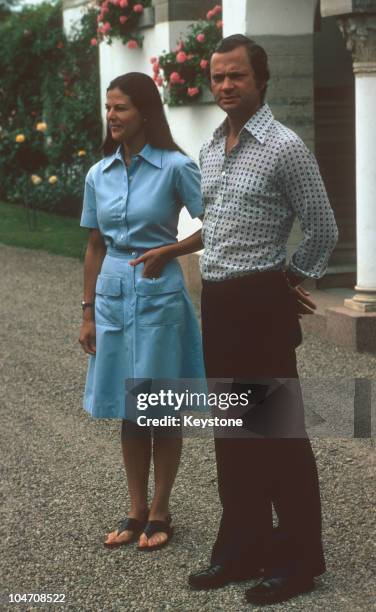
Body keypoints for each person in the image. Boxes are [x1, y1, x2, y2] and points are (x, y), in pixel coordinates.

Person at [188, 35, 338, 605]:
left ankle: (300, 561)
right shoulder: (208, 148)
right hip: (219, 304)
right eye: (218, 77)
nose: (226, 86)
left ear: (261, 79)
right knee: (233, 433)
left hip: (262, 305)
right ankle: (243, 547)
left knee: (278, 435)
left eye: (237, 77)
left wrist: (289, 279)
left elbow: (323, 228)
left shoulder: (285, 147)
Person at [79, 72, 205, 551]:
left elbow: (215, 225)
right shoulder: (98, 173)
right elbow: (93, 245)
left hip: (160, 295)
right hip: (112, 296)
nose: (112, 116)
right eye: (109, 107)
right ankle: (134, 509)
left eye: (121, 108)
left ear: (146, 113)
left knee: (162, 409)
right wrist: (88, 312)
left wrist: (169, 252)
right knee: (131, 410)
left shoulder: (175, 167)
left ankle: (161, 509)